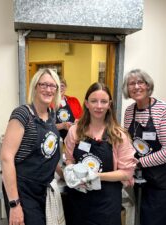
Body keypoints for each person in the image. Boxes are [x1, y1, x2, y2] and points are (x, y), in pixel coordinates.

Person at [64, 82, 137, 225]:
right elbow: (69, 159)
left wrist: (96, 176)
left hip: (106, 203)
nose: (99, 106)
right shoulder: (75, 131)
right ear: (86, 103)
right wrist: (71, 171)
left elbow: (126, 173)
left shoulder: (118, 135)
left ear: (109, 104)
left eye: (103, 101)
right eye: (94, 101)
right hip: (79, 199)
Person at [1, 68, 61, 225]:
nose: (48, 89)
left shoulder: (51, 115)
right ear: (35, 87)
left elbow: (47, 155)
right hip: (23, 191)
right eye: (43, 85)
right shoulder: (23, 114)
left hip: (43, 191)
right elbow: (6, 158)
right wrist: (15, 204)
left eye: (52, 86)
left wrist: (68, 173)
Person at [122, 69, 166, 225]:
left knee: (153, 221)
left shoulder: (164, 109)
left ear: (148, 85)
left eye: (140, 82)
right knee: (140, 219)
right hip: (141, 180)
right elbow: (128, 143)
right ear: (127, 89)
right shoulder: (129, 111)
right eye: (131, 84)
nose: (136, 87)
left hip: (164, 182)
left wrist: (140, 163)